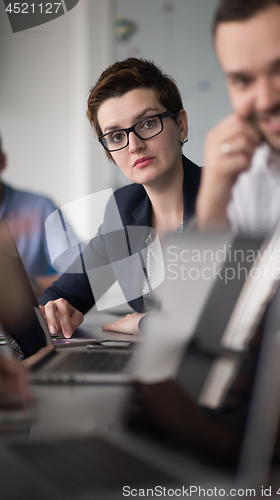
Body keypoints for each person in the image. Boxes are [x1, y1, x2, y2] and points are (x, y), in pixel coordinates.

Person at [196, 0, 280, 364]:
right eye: (243, 80)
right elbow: (208, 326)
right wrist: (212, 206)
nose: (267, 100)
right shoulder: (244, 175)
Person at [39, 58, 201, 337]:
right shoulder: (124, 208)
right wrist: (57, 310)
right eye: (116, 136)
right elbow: (61, 293)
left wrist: (143, 323)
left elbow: (234, 317)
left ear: (181, 124)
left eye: (148, 123)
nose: (135, 145)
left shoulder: (227, 197)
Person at [0, 133, 61, 296]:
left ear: (2, 161)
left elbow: (81, 272)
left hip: (21, 317)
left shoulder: (39, 208)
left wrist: (27, 287)